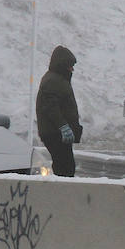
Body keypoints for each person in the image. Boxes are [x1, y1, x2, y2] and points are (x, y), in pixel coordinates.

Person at [35, 45, 83, 176]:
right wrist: (63, 126)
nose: (72, 69)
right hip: (55, 133)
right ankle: (63, 193)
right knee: (65, 168)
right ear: (62, 65)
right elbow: (51, 108)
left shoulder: (57, 79)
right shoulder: (53, 81)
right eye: (70, 65)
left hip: (56, 132)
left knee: (65, 166)